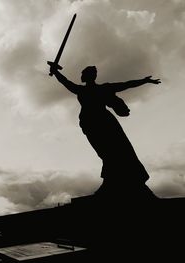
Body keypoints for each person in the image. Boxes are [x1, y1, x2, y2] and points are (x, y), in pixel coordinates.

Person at [50, 65, 160, 193]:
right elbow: (65, 82)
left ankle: (114, 182)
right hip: (92, 125)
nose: (81, 76)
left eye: (83, 74)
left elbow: (126, 84)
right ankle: (114, 181)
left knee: (112, 152)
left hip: (103, 124)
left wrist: (144, 81)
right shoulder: (87, 89)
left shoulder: (90, 89)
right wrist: (56, 72)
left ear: (89, 76)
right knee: (105, 153)